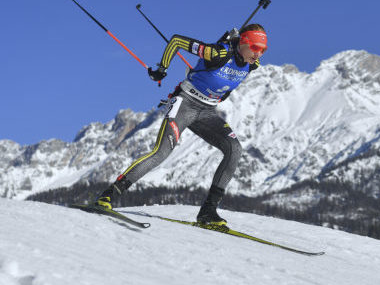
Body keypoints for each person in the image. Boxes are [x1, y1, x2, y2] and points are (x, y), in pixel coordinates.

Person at [93, 24, 268, 226]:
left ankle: (208, 212)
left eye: (263, 49)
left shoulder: (252, 65)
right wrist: (161, 69)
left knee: (234, 149)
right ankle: (107, 196)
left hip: (207, 112)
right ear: (244, 42)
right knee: (162, 152)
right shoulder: (218, 52)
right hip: (185, 104)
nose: (258, 54)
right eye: (255, 47)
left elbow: (226, 84)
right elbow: (176, 41)